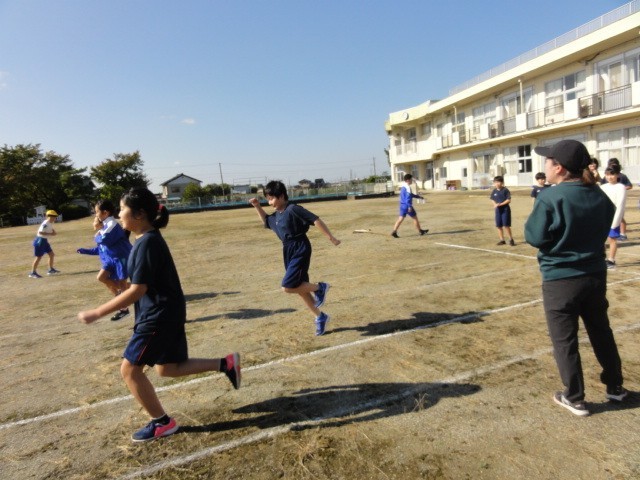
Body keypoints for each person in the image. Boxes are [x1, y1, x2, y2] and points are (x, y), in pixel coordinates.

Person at [78, 187, 241, 442]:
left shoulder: (147, 243)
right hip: (165, 312)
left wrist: (97, 312)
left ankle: (162, 423)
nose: (119, 215)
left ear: (140, 214)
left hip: (159, 316)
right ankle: (226, 364)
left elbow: (137, 290)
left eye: (123, 209)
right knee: (168, 368)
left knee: (130, 370)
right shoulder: (144, 240)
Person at [524, 139, 627, 417]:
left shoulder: (550, 197)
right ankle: (615, 386)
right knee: (601, 331)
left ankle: (575, 397)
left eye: (548, 161)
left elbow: (534, 236)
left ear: (558, 167)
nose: (545, 165)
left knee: (565, 340)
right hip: (594, 275)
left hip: (560, 279)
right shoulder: (597, 193)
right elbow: (608, 222)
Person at [248, 181, 340, 336]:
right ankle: (320, 317)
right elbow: (266, 221)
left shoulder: (293, 209)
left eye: (271, 198)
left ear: (281, 196)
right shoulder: (277, 215)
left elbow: (315, 220)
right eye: (267, 199)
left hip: (300, 247)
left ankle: (320, 288)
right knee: (300, 287)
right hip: (288, 250)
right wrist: (257, 206)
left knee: (288, 286)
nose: (269, 202)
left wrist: (331, 238)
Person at [77, 199, 133, 321]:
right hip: (111, 260)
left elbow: (104, 240)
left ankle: (124, 308)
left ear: (105, 212)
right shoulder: (105, 227)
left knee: (122, 284)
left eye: (97, 212)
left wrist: (96, 236)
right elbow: (101, 248)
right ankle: (126, 293)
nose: (95, 215)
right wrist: (85, 250)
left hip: (120, 258)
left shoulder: (112, 224)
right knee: (101, 277)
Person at [600, 165, 627, 269]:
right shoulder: (603, 187)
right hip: (602, 216)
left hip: (614, 216)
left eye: (612, 174)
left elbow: (620, 205)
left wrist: (616, 222)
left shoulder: (621, 187)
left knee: (612, 239)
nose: (609, 177)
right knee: (600, 239)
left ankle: (611, 259)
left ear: (617, 175)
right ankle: (601, 258)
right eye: (607, 175)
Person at [602, 158, 632, 240]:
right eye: (610, 164)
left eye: (614, 164)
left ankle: (623, 234)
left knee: (620, 219)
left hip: (615, 209)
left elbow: (629, 185)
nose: (609, 176)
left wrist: (622, 189)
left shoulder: (622, 180)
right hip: (604, 215)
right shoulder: (604, 185)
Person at [391, 174, 428, 238]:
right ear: (408, 180)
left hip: (402, 205)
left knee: (400, 219)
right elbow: (408, 198)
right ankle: (420, 231)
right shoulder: (408, 187)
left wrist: (418, 197)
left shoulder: (403, 186)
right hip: (407, 205)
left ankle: (394, 231)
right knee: (415, 218)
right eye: (411, 179)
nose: (412, 180)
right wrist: (409, 206)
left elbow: (410, 195)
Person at [29, 210, 61, 278]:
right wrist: (51, 234)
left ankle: (51, 269)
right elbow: (40, 232)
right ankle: (32, 273)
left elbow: (51, 230)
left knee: (51, 254)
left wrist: (54, 232)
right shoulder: (46, 223)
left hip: (44, 240)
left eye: (55, 216)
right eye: (53, 216)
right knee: (38, 257)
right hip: (40, 241)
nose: (55, 218)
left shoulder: (50, 223)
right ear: (48, 216)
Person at [490, 176, 515, 245]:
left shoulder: (505, 190)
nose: (497, 184)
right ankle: (502, 240)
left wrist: (500, 204)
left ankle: (511, 239)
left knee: (506, 225)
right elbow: (492, 199)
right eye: (495, 182)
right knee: (499, 226)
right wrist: (495, 204)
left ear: (502, 183)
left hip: (505, 210)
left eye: (498, 182)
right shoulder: (494, 191)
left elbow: (508, 200)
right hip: (498, 211)